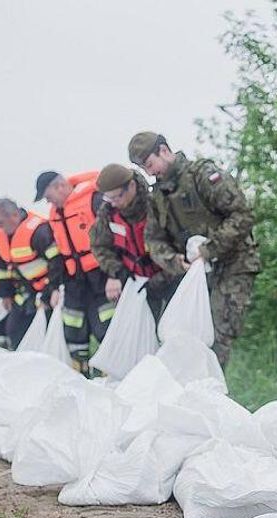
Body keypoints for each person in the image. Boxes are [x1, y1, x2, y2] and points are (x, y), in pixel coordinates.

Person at [128, 131, 261, 366]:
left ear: (164, 151)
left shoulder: (203, 175)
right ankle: (195, 393)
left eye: (150, 165)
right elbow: (154, 240)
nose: (150, 173)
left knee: (218, 333)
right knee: (187, 334)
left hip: (234, 264)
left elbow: (242, 215)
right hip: (194, 273)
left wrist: (209, 250)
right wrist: (175, 261)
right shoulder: (158, 196)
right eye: (144, 170)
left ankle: (212, 394)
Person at [35, 170, 112, 372]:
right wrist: (53, 287)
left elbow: (114, 237)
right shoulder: (55, 214)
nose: (49, 203)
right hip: (74, 282)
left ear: (59, 186)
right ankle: (80, 373)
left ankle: (109, 372)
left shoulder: (93, 200)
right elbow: (57, 256)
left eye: (49, 197)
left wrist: (115, 275)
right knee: (73, 328)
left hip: (102, 276)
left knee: (106, 326)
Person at [90, 163, 170, 320]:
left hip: (167, 280)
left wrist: (161, 279)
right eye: (108, 198)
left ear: (131, 186)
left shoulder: (156, 205)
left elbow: (176, 245)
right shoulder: (108, 214)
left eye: (116, 197)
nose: (112, 202)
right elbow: (99, 245)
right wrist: (117, 271)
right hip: (135, 285)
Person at [0, 198, 59, 350]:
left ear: (13, 216)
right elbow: (0, 270)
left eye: (0, 223)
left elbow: (57, 262)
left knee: (46, 332)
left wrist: (52, 289)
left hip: (48, 291)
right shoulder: (1, 238)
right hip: (24, 293)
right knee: (14, 330)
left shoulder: (39, 230)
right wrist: (5, 294)